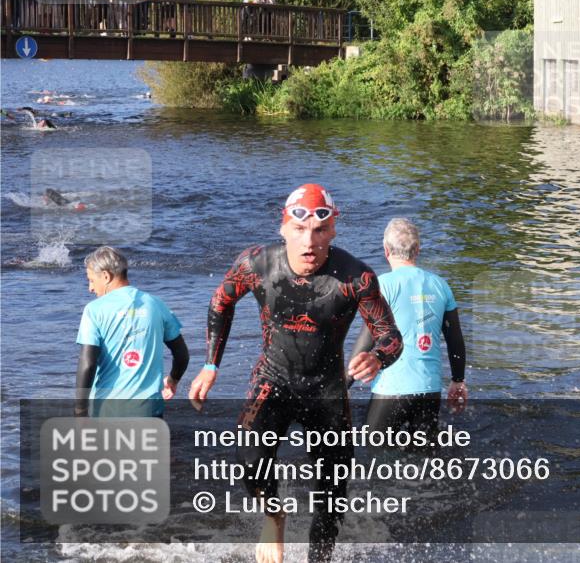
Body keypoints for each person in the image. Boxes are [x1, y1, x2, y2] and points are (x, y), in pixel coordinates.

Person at [188, 183, 403, 563]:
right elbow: (220, 303)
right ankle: (275, 517)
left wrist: (378, 359)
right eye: (300, 230)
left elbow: (390, 337)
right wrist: (209, 366)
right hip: (273, 378)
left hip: (327, 392)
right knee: (249, 458)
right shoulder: (256, 264)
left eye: (320, 231)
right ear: (283, 228)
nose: (310, 242)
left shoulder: (357, 277)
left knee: (331, 499)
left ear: (333, 230)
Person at [350, 218, 467, 437]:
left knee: (377, 453)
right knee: (425, 459)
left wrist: (341, 388)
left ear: (386, 250)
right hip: (429, 389)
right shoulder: (440, 285)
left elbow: (365, 342)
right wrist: (458, 381)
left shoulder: (382, 285)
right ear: (418, 250)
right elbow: (455, 340)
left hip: (391, 389)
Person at [75, 246, 189, 418]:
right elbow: (181, 355)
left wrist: (80, 411)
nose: (90, 288)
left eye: (91, 280)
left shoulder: (94, 310)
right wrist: (173, 380)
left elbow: (88, 363)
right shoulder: (156, 305)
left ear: (106, 276)